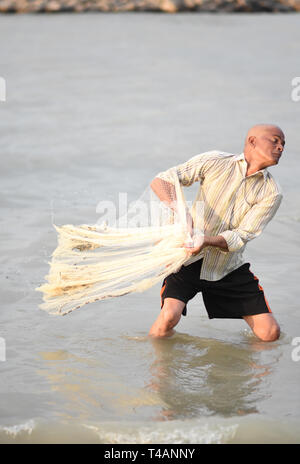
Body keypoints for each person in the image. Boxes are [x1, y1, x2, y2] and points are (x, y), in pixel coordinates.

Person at [149, 124, 285, 342]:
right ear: (252, 141)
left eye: (283, 144)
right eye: (275, 140)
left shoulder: (272, 192)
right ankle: (158, 371)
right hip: (187, 259)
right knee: (168, 319)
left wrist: (206, 241)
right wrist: (182, 211)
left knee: (269, 334)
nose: (280, 148)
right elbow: (163, 180)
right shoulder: (215, 161)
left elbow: (243, 235)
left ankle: (249, 374)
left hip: (227, 266)